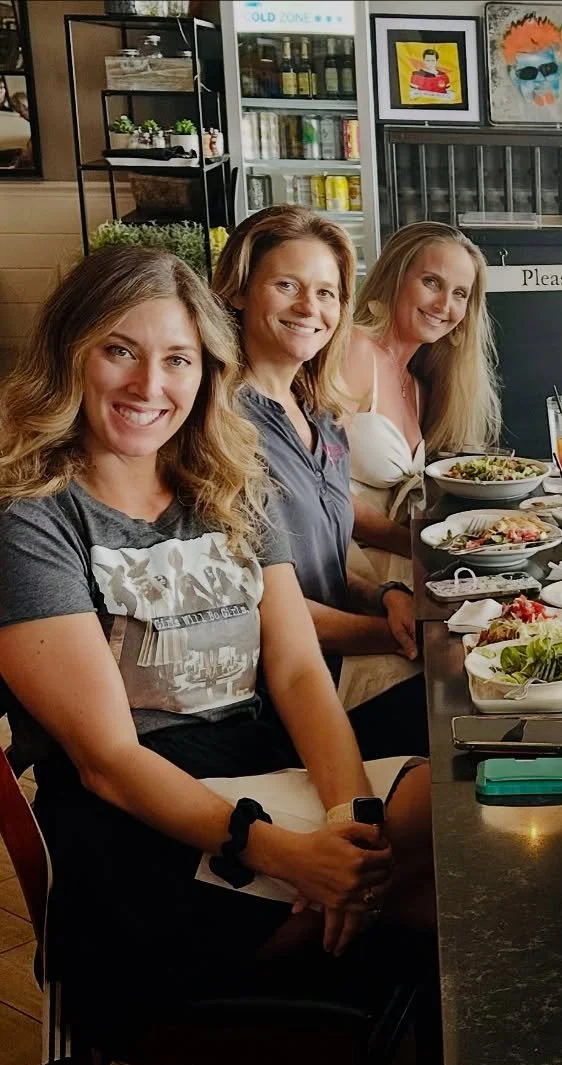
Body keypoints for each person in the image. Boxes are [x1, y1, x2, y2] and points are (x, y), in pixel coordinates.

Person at [0, 246, 434, 1031]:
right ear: (70, 354)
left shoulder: (228, 486)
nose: (149, 386)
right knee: (447, 900)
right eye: (119, 351)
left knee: (451, 810)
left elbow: (299, 671)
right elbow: (108, 761)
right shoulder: (32, 519)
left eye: (178, 359)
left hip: (254, 760)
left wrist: (344, 822)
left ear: (207, 371)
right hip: (136, 824)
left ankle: (359, 922)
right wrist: (284, 854)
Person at [212, 205, 426, 758]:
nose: (311, 307)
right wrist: (415, 634)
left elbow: (320, 565)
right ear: (238, 291)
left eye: (328, 293)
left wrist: (387, 594)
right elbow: (270, 613)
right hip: (267, 716)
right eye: (287, 285)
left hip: (331, 679)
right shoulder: (222, 425)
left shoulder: (319, 413)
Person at [341, 220, 501, 575]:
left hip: (401, 566)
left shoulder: (419, 385)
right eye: (432, 282)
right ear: (395, 278)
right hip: (351, 569)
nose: (445, 304)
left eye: (460, 294)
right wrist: (421, 547)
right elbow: (315, 485)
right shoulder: (356, 351)